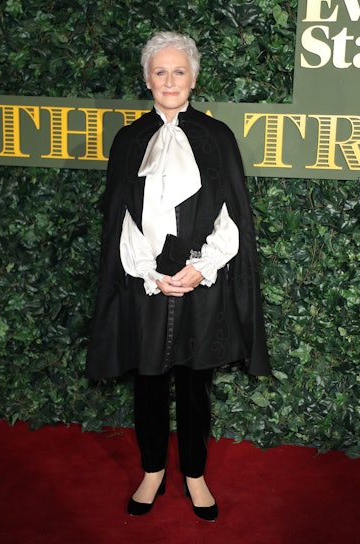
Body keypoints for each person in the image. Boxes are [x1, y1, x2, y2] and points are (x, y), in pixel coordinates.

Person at [86, 31, 271, 522]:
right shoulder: (129, 140)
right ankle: (152, 471)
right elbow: (121, 220)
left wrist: (201, 268)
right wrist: (148, 271)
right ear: (148, 78)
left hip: (199, 280)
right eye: (160, 71)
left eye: (179, 71)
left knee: (194, 385)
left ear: (193, 78)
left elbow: (232, 217)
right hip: (145, 282)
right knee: (147, 382)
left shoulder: (218, 138)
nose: (170, 80)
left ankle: (194, 474)